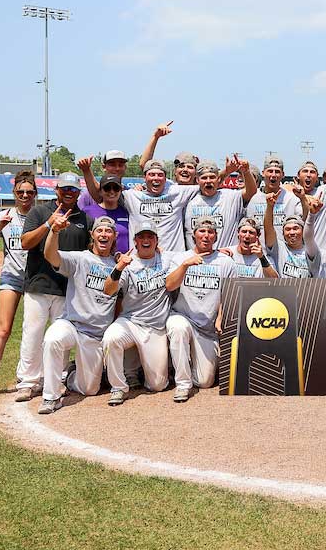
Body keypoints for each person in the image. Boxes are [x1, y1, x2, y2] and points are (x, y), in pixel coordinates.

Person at [13, 172, 90, 403]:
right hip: (39, 284)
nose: (69, 192)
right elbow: (25, 242)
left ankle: (57, 379)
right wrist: (49, 224)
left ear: (78, 193)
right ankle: (28, 382)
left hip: (67, 289)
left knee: (60, 339)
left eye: (73, 190)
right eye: (65, 188)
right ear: (56, 189)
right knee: (33, 335)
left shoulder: (84, 219)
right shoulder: (39, 212)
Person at [37, 215, 119, 414]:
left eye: (108, 231)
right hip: (72, 324)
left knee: (89, 389)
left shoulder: (119, 265)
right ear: (92, 235)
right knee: (53, 338)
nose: (104, 234)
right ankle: (51, 397)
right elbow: (51, 255)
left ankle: (72, 373)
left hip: (96, 334)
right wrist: (54, 231)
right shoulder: (80, 258)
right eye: (99, 230)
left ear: (114, 236)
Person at [101, 221, 173, 405]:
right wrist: (118, 268)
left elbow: (193, 254)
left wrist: (224, 250)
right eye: (142, 237)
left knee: (157, 385)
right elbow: (108, 290)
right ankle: (118, 387)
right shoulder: (128, 263)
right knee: (111, 338)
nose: (146, 240)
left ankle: (144, 370)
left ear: (157, 240)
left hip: (155, 327)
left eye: (150, 236)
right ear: (135, 241)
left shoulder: (168, 259)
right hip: (131, 322)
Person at [0, 171, 37, 400]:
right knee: (3, 330)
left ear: (35, 194)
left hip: (34, 279)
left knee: (35, 330)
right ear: (14, 192)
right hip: (12, 277)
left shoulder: (40, 215)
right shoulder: (5, 215)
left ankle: (37, 376)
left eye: (29, 192)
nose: (25, 195)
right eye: (21, 191)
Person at [166, 219, 236, 401]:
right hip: (183, 316)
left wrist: (221, 317)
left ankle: (189, 362)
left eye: (210, 232)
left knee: (204, 381)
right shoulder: (181, 258)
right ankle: (182, 384)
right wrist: (185, 266)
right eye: (202, 231)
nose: (206, 235)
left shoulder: (225, 262)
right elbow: (169, 285)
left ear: (216, 237)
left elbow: (228, 294)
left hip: (207, 327)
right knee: (178, 328)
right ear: (193, 235)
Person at [121, 159, 200, 253]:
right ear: (144, 178)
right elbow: (102, 192)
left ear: (165, 179)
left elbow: (209, 182)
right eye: (152, 175)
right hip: (141, 261)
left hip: (173, 260)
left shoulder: (177, 192)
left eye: (160, 175)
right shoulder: (131, 196)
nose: (156, 178)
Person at [184, 157, 257, 250]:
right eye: (204, 178)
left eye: (212, 177)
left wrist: (246, 172)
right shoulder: (188, 200)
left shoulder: (230, 196)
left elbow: (251, 191)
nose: (208, 181)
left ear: (218, 179)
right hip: (195, 260)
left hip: (226, 259)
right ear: (197, 180)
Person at [264, 189, 317, 279]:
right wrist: (270, 207)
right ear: (283, 234)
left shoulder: (311, 252)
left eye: (295, 228)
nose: (292, 232)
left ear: (303, 231)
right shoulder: (279, 249)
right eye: (288, 229)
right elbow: (268, 228)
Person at [78, 171, 131, 255]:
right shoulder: (87, 212)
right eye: (107, 188)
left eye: (116, 188)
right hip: (96, 262)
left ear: (121, 190)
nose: (112, 191)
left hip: (124, 263)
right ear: (100, 191)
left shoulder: (127, 212)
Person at [246, 156, 294, 230]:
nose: (273, 175)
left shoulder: (291, 198)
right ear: (263, 173)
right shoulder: (252, 197)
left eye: (277, 172)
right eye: (270, 171)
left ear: (283, 175)